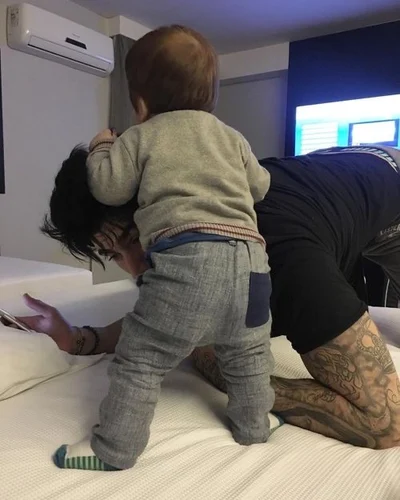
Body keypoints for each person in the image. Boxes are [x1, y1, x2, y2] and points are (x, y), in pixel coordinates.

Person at [29, 144, 400, 452]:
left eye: (135, 237)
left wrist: (233, 379)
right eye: (114, 255)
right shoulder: (188, 233)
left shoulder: (282, 252)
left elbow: (385, 423)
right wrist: (79, 338)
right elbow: (161, 321)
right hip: (337, 172)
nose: (136, 268)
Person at [49, 25, 275, 472]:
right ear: (211, 95)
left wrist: (102, 146)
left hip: (192, 260)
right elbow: (261, 186)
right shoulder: (232, 137)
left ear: (140, 103)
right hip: (254, 264)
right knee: (248, 354)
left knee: (142, 357)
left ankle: (115, 450)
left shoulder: (143, 136)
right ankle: (254, 426)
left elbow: (109, 187)